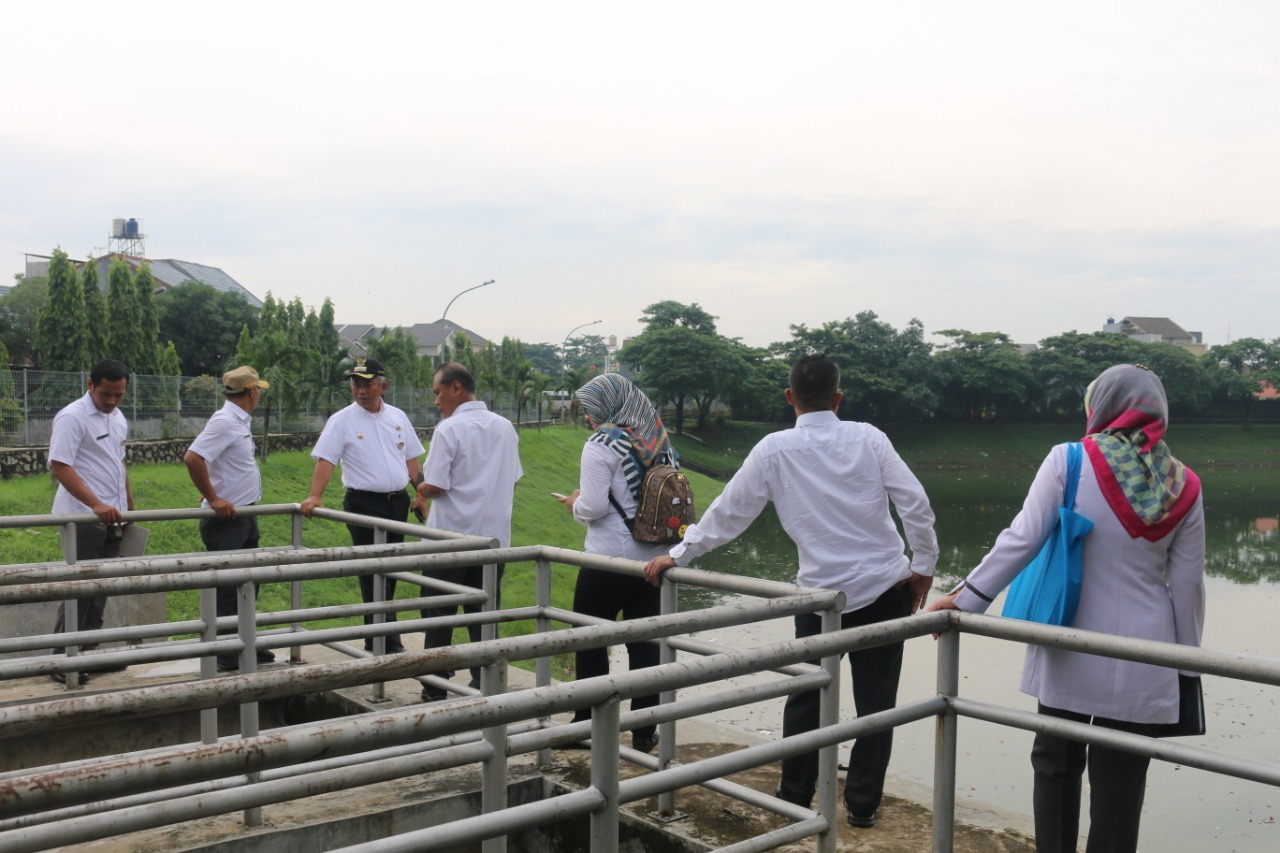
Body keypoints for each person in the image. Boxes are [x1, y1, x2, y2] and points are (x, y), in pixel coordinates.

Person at [645, 354, 938, 827]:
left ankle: (794, 794)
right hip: (885, 588)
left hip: (818, 598)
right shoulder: (869, 437)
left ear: (789, 397)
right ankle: (862, 806)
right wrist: (924, 566)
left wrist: (681, 554)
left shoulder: (773, 449)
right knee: (877, 703)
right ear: (838, 397)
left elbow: (730, 512)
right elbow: (916, 504)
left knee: (806, 696)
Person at [929, 364, 1205, 853]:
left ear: (1099, 406)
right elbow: (1186, 588)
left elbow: (1022, 539)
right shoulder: (1184, 484)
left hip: (1070, 640)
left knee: (1055, 767)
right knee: (1121, 787)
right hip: (1147, 652)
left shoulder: (1070, 459)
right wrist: (1187, 664)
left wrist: (966, 598)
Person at [555, 373, 676, 755]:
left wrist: (574, 503)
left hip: (607, 562)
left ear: (607, 405)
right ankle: (644, 730)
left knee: (590, 641)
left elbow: (592, 506)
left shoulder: (602, 443)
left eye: (592, 408)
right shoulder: (659, 439)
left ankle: (587, 724)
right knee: (647, 647)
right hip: (654, 562)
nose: (590, 417)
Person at [301, 357, 426, 654]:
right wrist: (314, 496)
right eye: (356, 383)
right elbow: (327, 459)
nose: (360, 390)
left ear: (383, 386)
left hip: (397, 502)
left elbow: (411, 459)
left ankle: (377, 636)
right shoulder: (342, 420)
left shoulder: (397, 416)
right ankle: (387, 639)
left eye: (367, 383)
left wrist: (420, 494)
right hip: (363, 504)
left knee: (393, 567)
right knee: (372, 569)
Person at [416, 362, 522, 701]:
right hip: (492, 540)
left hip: (449, 540)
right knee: (483, 617)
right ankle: (484, 681)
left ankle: (435, 687)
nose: (436, 400)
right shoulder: (505, 426)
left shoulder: (449, 428)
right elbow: (514, 478)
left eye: (438, 392)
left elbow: (435, 485)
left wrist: (419, 488)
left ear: (456, 388)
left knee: (437, 617)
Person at [47, 358, 135, 684]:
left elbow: (117, 463)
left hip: (113, 516)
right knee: (80, 590)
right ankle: (62, 659)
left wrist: (127, 502)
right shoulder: (73, 417)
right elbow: (60, 466)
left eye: (119, 395)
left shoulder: (118, 418)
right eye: (106, 394)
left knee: (102, 588)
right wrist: (96, 503)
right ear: (90, 385)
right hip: (81, 518)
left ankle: (87, 652)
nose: (112, 401)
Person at [184, 365, 275, 671]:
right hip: (227, 519)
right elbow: (193, 458)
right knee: (228, 587)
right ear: (251, 392)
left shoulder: (238, 421)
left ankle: (245, 641)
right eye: (258, 390)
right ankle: (226, 651)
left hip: (243, 512)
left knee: (247, 583)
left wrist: (215, 488)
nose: (259, 394)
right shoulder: (225, 421)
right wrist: (213, 497)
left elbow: (220, 463)